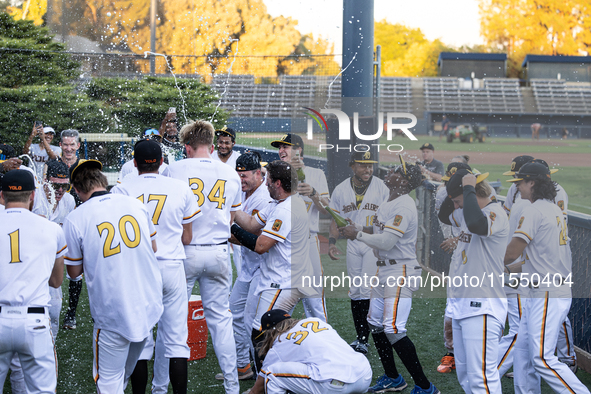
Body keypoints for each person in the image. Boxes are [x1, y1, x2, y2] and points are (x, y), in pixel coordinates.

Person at [62, 159, 163, 393]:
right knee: (123, 374)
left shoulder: (76, 218)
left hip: (112, 311)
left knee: (109, 381)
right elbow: (154, 247)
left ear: (76, 190)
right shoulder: (134, 204)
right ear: (103, 181)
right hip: (147, 304)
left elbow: (74, 272)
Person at [340, 158, 439, 394]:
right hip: (384, 269)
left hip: (401, 270)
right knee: (375, 323)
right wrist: (358, 229)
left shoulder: (404, 205)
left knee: (393, 328)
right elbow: (379, 232)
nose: (390, 172)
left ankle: (426, 387)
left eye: (396, 171)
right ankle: (393, 378)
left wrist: (358, 236)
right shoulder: (389, 200)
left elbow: (387, 241)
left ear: (403, 181)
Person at [111, 139, 201, 394]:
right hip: (172, 266)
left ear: (134, 163)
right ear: (162, 161)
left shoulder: (122, 189)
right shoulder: (180, 188)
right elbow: (187, 238)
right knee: (176, 342)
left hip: (138, 269)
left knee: (141, 339)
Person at [163, 120, 242, 394]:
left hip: (185, 251)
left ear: (187, 146)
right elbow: (231, 218)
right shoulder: (229, 173)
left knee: (172, 322)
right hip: (219, 249)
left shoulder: (174, 169)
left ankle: (161, 386)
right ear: (211, 145)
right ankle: (232, 386)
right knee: (221, 321)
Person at [504, 162, 589, 394]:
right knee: (522, 353)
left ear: (532, 182)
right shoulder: (552, 208)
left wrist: (485, 261)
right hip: (545, 290)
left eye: (520, 182)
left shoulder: (534, 210)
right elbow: (535, 260)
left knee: (541, 357)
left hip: (547, 293)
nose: (517, 188)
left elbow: (511, 253)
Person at [231, 160, 316, 373]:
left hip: (284, 282)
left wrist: (229, 228)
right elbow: (251, 224)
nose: (265, 183)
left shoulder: (286, 210)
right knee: (260, 329)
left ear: (277, 183)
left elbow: (260, 246)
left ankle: (271, 380)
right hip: (274, 279)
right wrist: (228, 208)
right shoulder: (277, 203)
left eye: (268, 179)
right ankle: (270, 377)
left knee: (262, 332)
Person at [438, 168, 508, 393]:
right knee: (466, 376)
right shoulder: (468, 212)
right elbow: (444, 215)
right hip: (462, 306)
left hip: (483, 306)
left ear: (473, 193)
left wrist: (468, 187)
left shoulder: (494, 212)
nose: (457, 207)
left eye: (460, 201)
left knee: (481, 378)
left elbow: (479, 225)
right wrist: (454, 184)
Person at [0, 169, 66, 394]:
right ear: (33, 196)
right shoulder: (51, 229)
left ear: (1, 196)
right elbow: (57, 281)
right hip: (34, 321)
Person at [215, 152, 271, 381]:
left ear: (258, 174)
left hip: (265, 270)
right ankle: (243, 366)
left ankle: (265, 373)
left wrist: (217, 229)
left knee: (253, 322)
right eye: (238, 175)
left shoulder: (264, 197)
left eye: (245, 175)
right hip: (248, 270)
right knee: (233, 314)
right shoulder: (245, 193)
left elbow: (252, 237)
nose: (241, 180)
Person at [327, 151, 389, 354]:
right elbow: (335, 219)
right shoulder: (341, 189)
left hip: (372, 243)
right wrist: (332, 242)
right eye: (363, 165)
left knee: (368, 290)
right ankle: (361, 337)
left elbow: (387, 221)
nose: (368, 169)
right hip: (353, 244)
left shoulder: (381, 187)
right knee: (355, 291)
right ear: (352, 166)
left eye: (370, 165)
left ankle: (372, 335)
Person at [272, 133, 328, 321]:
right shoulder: (275, 174)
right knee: (279, 293)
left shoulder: (316, 174)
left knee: (313, 297)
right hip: (280, 242)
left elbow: (327, 209)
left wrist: (313, 193)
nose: (281, 151)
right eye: (279, 148)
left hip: (307, 241)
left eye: (285, 147)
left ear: (299, 150)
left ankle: (321, 337)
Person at [248, 309, 372, 394]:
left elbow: (258, 389)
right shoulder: (314, 321)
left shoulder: (279, 342)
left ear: (270, 332)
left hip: (336, 385)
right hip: (364, 376)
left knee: (272, 374)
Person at [434, 161, 472, 374]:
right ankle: (451, 352)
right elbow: (444, 216)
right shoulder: (456, 203)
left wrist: (457, 239)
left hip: (480, 269)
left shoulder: (485, 207)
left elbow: (481, 229)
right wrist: (450, 192)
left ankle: (468, 353)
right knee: (452, 307)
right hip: (460, 262)